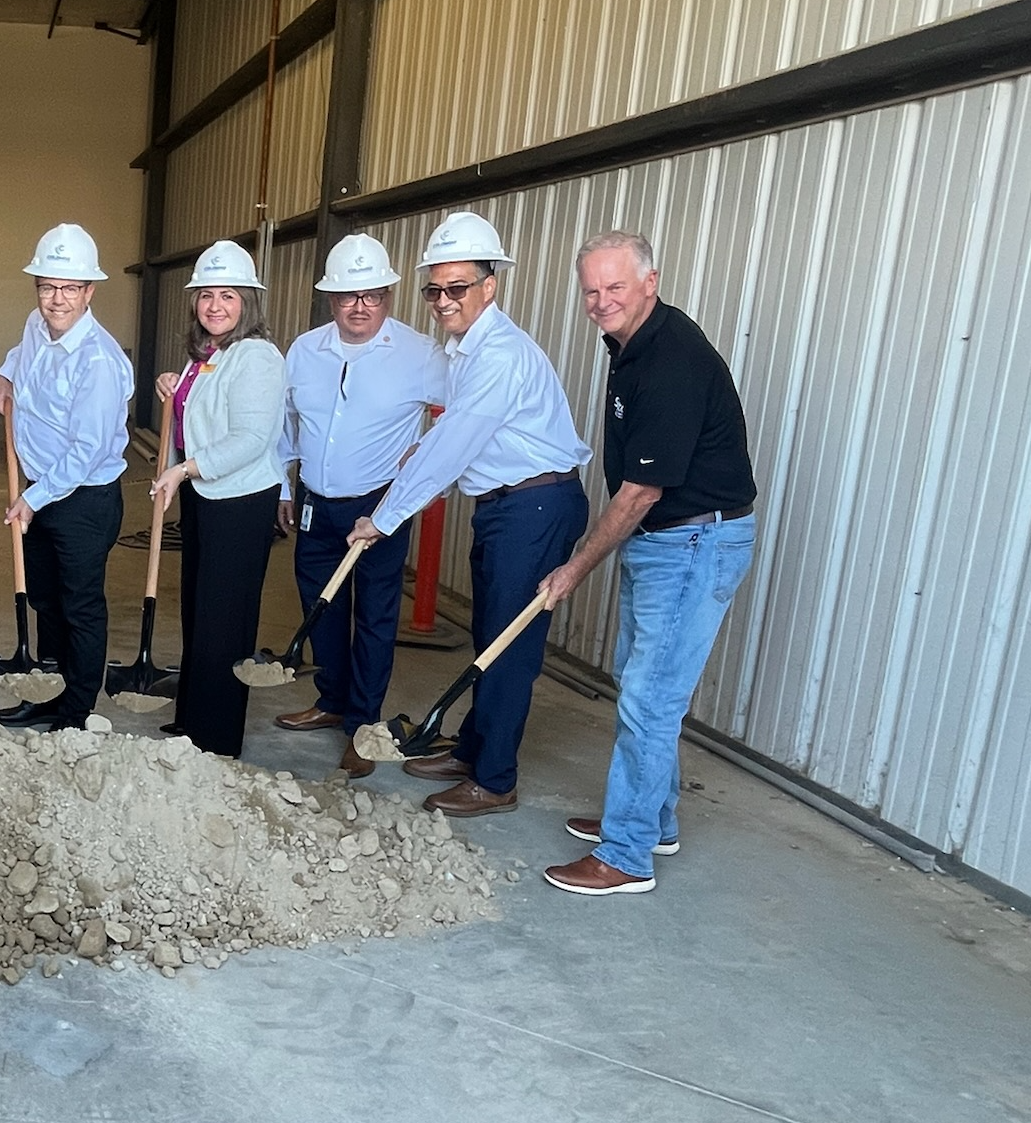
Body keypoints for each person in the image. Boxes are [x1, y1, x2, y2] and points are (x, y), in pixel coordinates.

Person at [349, 211, 592, 818]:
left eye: (457, 287)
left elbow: (453, 446)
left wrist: (384, 517)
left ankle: (495, 779)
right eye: (433, 288)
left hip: (535, 506)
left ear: (491, 285)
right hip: (505, 506)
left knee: (507, 647)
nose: (442, 300)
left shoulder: (500, 355)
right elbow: (449, 435)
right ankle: (473, 749)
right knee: (489, 638)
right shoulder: (463, 349)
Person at [538, 231, 758, 894]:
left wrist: (574, 568)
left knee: (649, 700)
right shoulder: (632, 345)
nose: (603, 301)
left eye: (616, 288)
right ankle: (652, 822)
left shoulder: (669, 360)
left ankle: (626, 854)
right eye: (593, 291)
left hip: (691, 542)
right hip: (666, 541)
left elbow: (640, 492)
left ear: (649, 283)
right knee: (644, 686)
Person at [275, 233, 447, 775]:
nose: (360, 306)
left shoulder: (420, 354)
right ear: (330, 298)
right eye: (348, 296)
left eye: (371, 294)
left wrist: (429, 447)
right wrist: (285, 486)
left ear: (389, 295)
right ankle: (331, 701)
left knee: (375, 614)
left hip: (379, 505)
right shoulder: (304, 350)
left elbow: (468, 409)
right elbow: (286, 423)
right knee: (319, 606)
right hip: (314, 498)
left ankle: (362, 722)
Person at [0, 223, 133, 733]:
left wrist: (34, 499)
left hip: (83, 500)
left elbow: (87, 451)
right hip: (40, 489)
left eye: (69, 288)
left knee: (79, 606)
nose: (56, 299)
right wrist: (5, 375)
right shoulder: (36, 323)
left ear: (89, 292)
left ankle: (76, 710)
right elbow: (19, 355)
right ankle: (48, 692)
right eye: (48, 286)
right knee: (45, 600)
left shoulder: (99, 360)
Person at [150, 241, 287, 759]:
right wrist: (174, 386)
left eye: (227, 295)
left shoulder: (256, 355)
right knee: (200, 614)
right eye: (206, 295)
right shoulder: (207, 354)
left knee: (224, 623)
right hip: (208, 496)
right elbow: (196, 414)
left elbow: (250, 440)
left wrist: (183, 470)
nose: (214, 306)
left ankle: (216, 736)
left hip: (240, 500)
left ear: (247, 301)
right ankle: (192, 721)